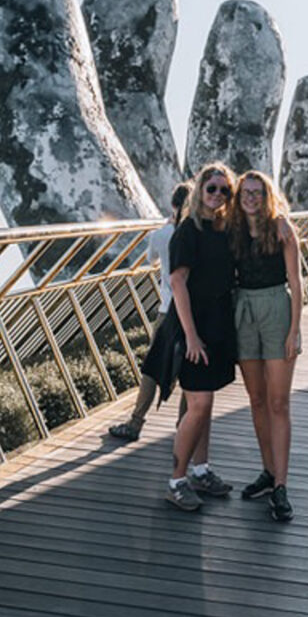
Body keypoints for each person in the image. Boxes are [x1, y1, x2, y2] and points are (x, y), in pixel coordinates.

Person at [158, 162, 238, 511]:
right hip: (194, 326)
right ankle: (177, 480)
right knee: (199, 404)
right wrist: (191, 336)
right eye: (212, 188)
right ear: (199, 190)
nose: (217, 195)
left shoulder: (222, 230)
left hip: (219, 323)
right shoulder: (187, 231)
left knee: (206, 403)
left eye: (225, 190)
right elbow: (177, 283)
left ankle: (202, 470)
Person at [230, 171, 302, 523]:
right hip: (243, 310)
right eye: (246, 192)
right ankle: (268, 471)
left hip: (276, 308)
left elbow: (295, 279)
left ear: (268, 196)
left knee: (278, 402)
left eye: (258, 193)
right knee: (256, 400)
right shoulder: (233, 229)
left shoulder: (282, 228)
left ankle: (282, 486)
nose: (252, 198)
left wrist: (295, 330)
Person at [108, 181, 191, 441]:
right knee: (191, 371)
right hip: (195, 312)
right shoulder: (198, 234)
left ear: (173, 205)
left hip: (168, 310)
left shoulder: (162, 234)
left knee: (153, 367)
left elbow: (149, 260)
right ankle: (183, 427)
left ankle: (135, 423)